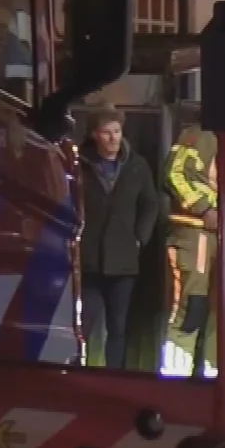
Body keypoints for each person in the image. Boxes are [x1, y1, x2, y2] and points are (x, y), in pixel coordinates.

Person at [77, 111, 159, 370]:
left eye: (117, 132)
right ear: (95, 135)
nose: (113, 138)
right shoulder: (79, 164)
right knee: (87, 323)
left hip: (123, 261)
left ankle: (115, 375)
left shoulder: (136, 165)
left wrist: (139, 239)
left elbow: (150, 204)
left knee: (118, 325)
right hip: (88, 259)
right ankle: (85, 373)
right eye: (106, 132)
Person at [161, 126, 220, 378]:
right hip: (195, 234)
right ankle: (174, 381)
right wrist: (204, 208)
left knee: (222, 311)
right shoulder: (199, 136)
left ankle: (212, 379)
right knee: (191, 309)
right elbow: (173, 173)